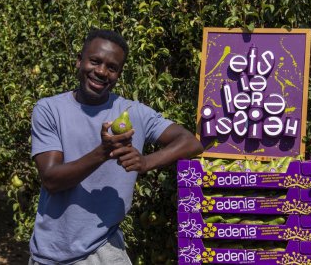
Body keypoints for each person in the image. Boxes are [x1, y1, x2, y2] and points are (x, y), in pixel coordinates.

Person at [28, 29, 203, 265]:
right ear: (79, 61)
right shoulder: (49, 109)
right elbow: (51, 179)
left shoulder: (133, 112)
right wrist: (103, 152)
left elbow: (190, 142)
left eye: (112, 67)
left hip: (103, 249)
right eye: (95, 61)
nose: (101, 71)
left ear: (119, 74)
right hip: (49, 251)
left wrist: (146, 162)